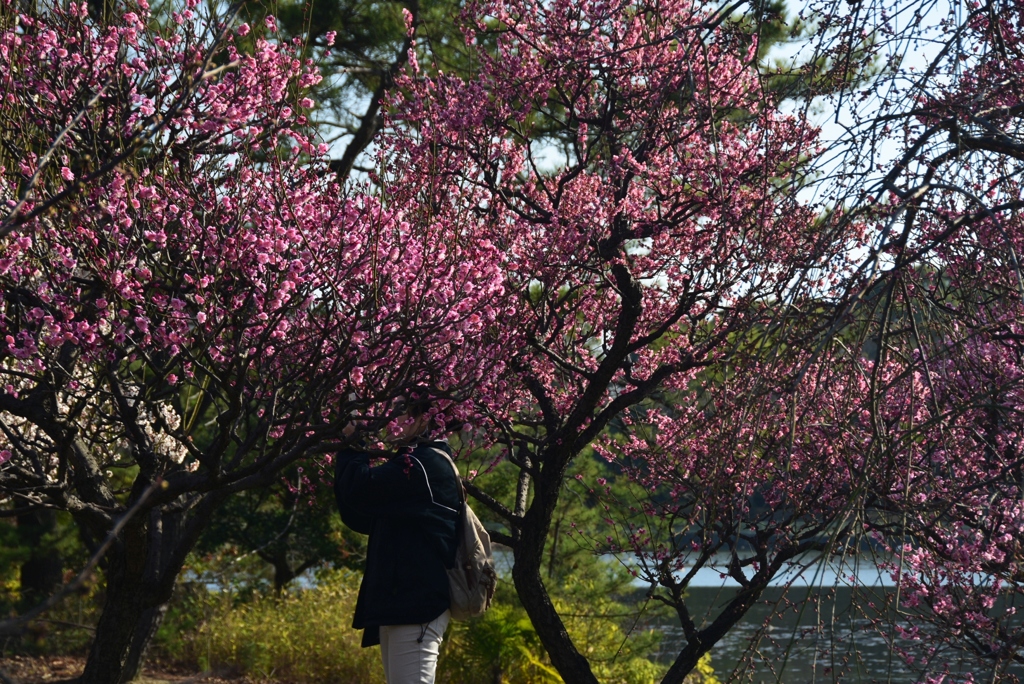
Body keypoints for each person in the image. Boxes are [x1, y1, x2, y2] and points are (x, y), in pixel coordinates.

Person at [334, 392, 461, 684]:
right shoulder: (416, 462)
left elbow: (361, 490)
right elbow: (360, 513)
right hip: (402, 602)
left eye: (401, 410)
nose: (392, 418)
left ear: (427, 418)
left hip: (415, 604)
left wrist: (354, 441)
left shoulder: (422, 466)